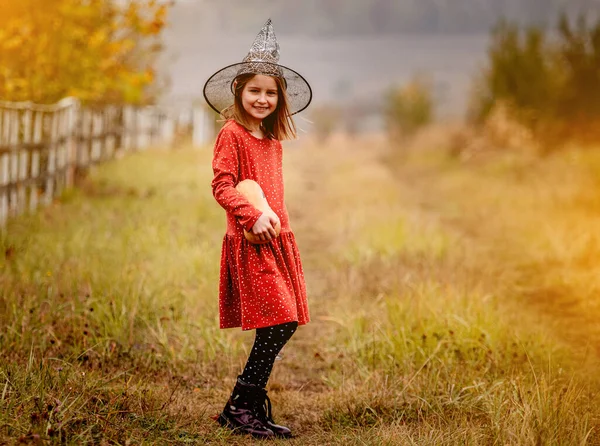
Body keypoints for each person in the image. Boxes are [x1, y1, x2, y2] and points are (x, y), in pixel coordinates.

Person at [203, 19, 312, 439]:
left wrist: (276, 223)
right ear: (239, 92)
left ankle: (245, 406)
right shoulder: (231, 134)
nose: (262, 99)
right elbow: (222, 186)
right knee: (280, 320)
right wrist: (251, 217)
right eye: (255, 91)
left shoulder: (271, 141)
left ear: (280, 98)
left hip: (275, 239)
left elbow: (270, 194)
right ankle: (240, 407)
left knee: (282, 320)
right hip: (251, 241)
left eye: (270, 92)